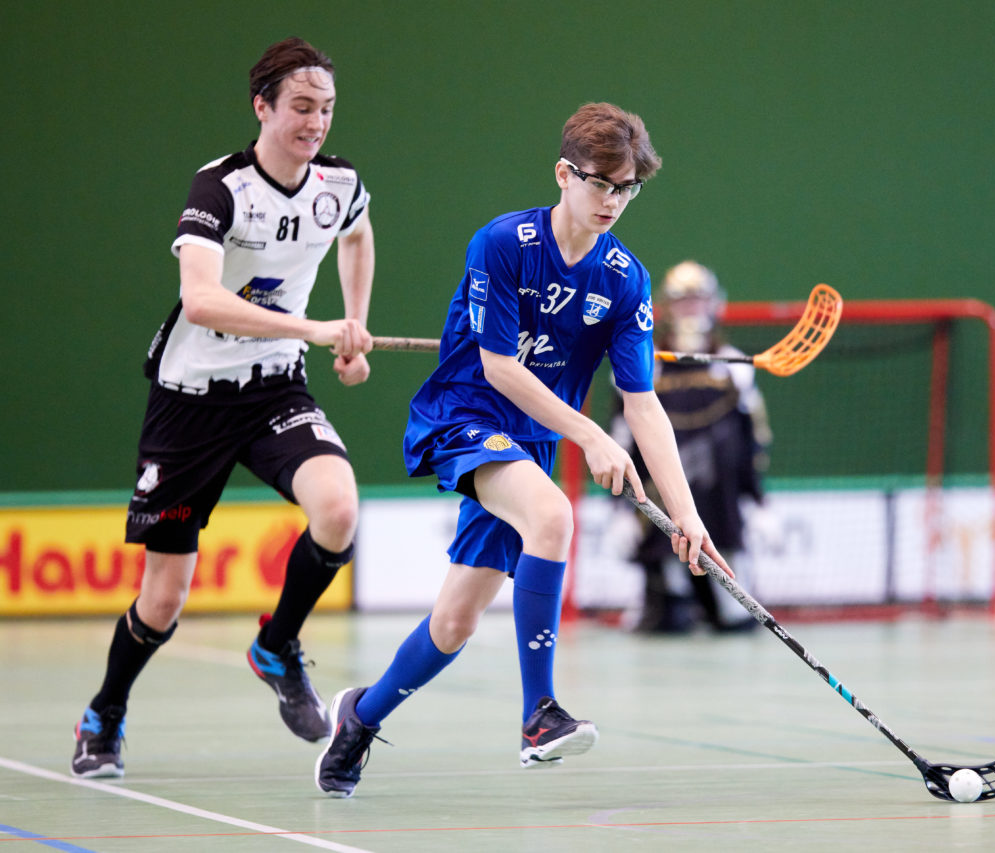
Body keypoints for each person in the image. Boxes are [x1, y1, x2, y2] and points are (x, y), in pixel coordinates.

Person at [314, 102, 735, 798]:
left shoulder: (624, 278)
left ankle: (359, 715)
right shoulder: (504, 243)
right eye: (600, 183)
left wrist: (686, 514)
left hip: (528, 441)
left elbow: (643, 401)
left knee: (453, 621)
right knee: (553, 517)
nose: (612, 201)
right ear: (564, 174)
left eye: (626, 188)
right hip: (467, 412)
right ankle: (538, 715)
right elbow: (502, 366)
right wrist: (591, 434)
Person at [70, 37, 375, 778]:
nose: (316, 123)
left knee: (337, 508)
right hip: (191, 402)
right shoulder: (221, 189)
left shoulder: (339, 184)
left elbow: (357, 235)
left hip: (274, 389)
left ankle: (277, 643)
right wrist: (313, 325)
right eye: (301, 107)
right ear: (262, 106)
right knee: (164, 600)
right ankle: (105, 711)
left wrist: (354, 327)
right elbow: (201, 300)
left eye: (326, 108)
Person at [611, 261, 773, 634]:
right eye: (683, 302)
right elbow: (622, 440)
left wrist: (761, 502)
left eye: (699, 300)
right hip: (660, 509)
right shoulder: (643, 365)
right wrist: (618, 509)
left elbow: (751, 444)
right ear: (667, 307)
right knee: (667, 619)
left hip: (721, 504)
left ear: (715, 304)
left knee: (734, 620)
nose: (691, 310)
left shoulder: (736, 368)